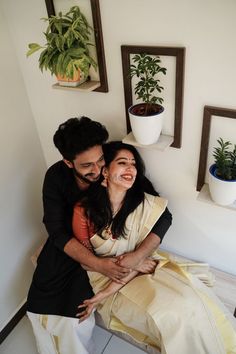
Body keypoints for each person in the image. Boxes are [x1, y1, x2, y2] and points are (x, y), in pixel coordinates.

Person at [73, 141, 236, 354]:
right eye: (122, 162)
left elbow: (164, 217)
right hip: (107, 279)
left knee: (193, 300)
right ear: (105, 171)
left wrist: (138, 257)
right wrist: (101, 295)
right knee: (173, 316)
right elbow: (86, 260)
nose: (130, 168)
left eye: (133, 164)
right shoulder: (84, 211)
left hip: (143, 265)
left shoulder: (140, 199)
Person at [27, 117, 172, 354]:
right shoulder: (55, 177)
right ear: (68, 162)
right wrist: (97, 264)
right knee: (42, 304)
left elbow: (164, 216)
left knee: (75, 316)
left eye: (100, 160)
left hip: (111, 245)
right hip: (70, 244)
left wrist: (138, 255)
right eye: (87, 166)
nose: (97, 170)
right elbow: (55, 229)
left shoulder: (114, 164)